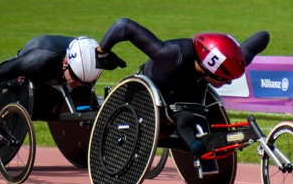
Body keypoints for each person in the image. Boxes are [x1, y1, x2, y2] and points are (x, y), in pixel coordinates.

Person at [97, 19, 268, 173]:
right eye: (224, 79)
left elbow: (263, 37)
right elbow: (124, 26)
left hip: (189, 87)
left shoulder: (218, 63)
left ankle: (202, 144)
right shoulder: (172, 55)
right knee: (184, 118)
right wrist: (101, 52)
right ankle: (193, 141)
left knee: (198, 117)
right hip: (157, 87)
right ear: (209, 69)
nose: (228, 83)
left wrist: (235, 51)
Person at [0, 35, 124, 108]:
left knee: (85, 94)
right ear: (65, 62)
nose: (77, 84)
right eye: (76, 79)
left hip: (60, 68)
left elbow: (109, 57)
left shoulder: (96, 63)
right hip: (36, 60)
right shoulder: (37, 61)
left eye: (83, 81)